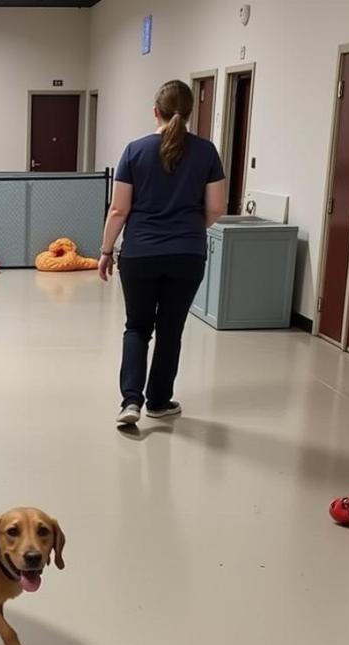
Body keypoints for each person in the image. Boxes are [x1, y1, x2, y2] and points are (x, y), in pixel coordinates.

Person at [98, 80, 226, 426]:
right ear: (189, 113)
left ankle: (130, 403)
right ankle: (159, 401)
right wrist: (186, 229)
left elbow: (118, 211)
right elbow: (216, 208)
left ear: (156, 111)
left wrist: (106, 250)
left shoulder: (134, 151)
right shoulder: (206, 152)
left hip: (140, 253)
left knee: (137, 327)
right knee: (171, 329)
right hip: (187, 254)